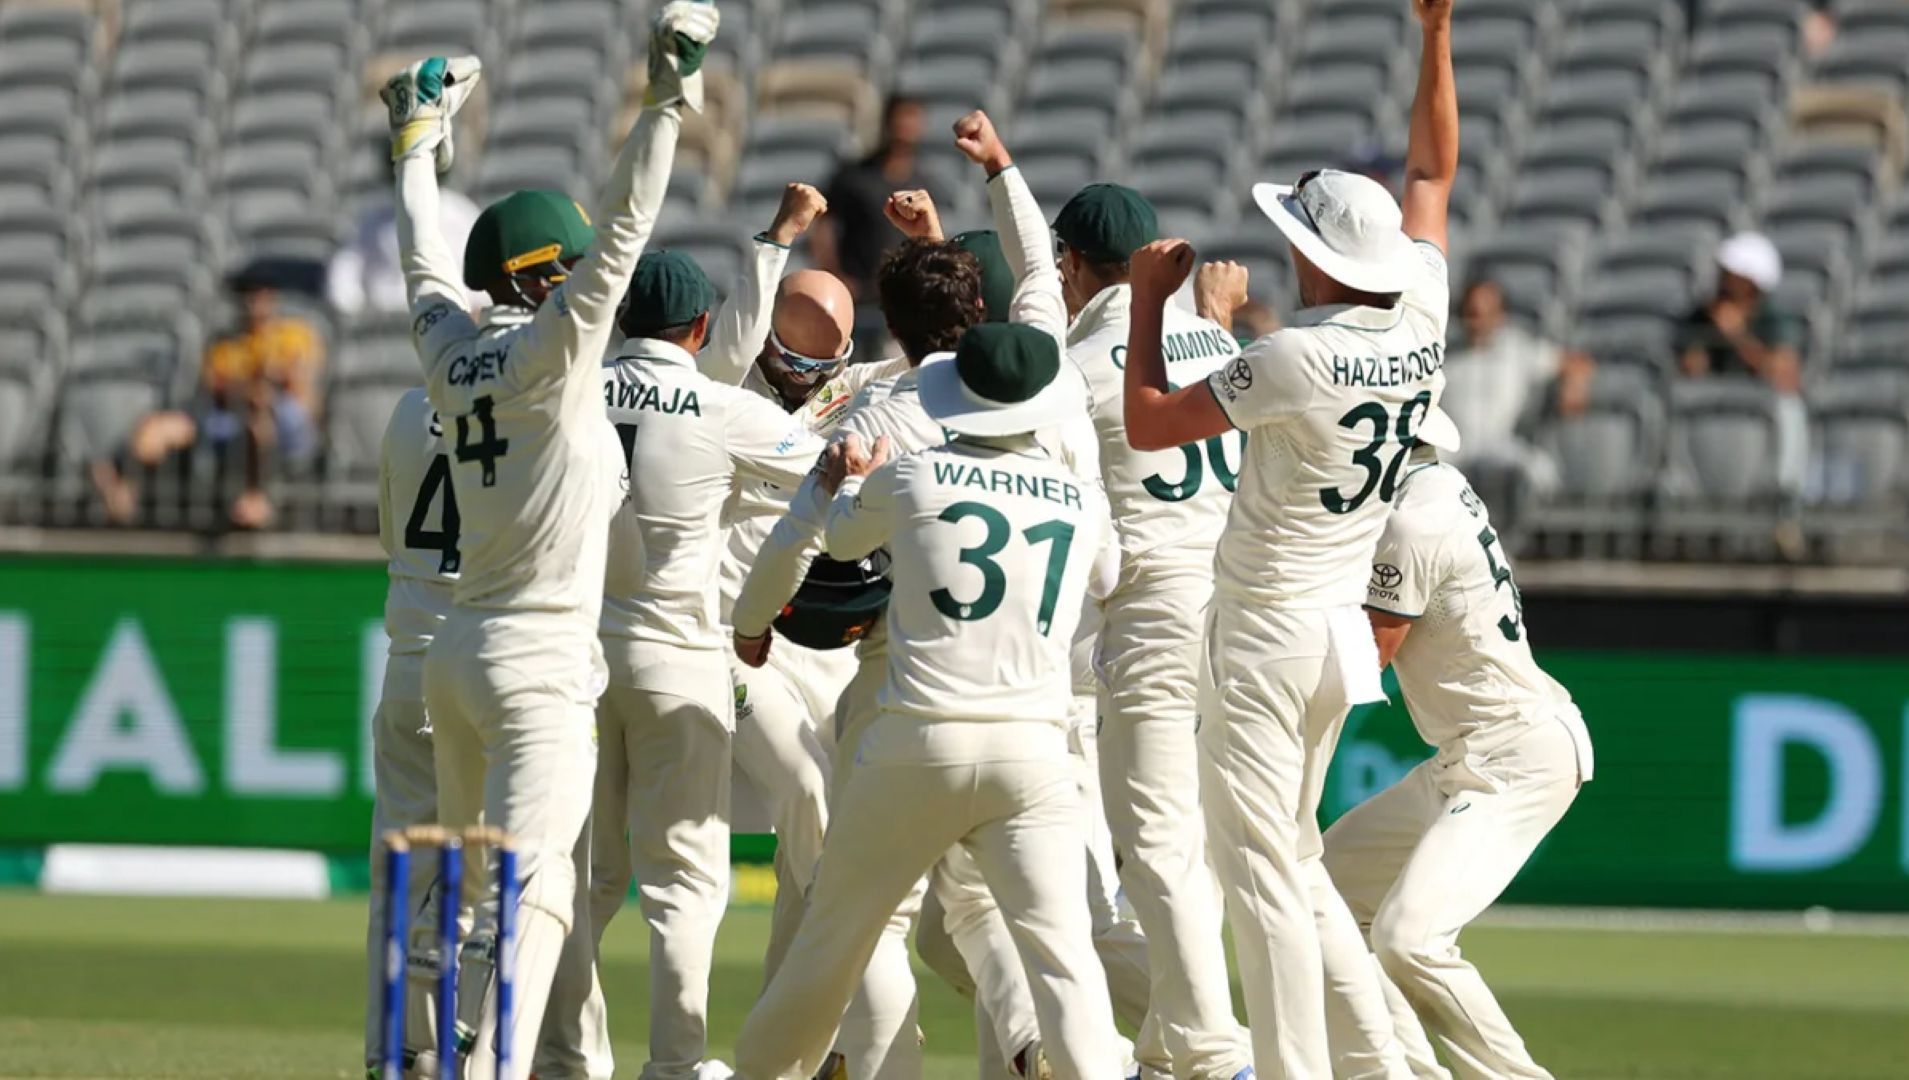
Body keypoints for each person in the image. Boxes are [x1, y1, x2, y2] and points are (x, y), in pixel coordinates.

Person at [1121, 0, 1460, 1073]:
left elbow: (1146, 424)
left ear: (1310, 255)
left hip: (1266, 632)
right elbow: (1435, 177)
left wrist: (1145, 303)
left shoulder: (1294, 356)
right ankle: (1377, 1063)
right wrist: (1436, 37)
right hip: (1338, 633)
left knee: (1259, 869)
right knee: (1291, 859)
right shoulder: (1422, 314)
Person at [381, 8, 717, 1077]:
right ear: (541, 281)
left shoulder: (446, 355)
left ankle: (429, 1058)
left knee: (475, 886)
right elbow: (623, 228)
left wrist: (417, 152)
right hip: (536, 664)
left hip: (455, 657)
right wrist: (665, 98)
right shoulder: (553, 358)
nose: (591, 285)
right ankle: (491, 1071)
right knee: (538, 890)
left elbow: (425, 269)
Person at [732, 321, 1122, 1080]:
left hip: (914, 745)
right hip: (1034, 755)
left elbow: (838, 546)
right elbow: (1108, 576)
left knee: (832, 942)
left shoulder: (910, 477)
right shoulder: (1081, 500)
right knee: (1064, 963)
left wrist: (844, 480)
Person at [961, 113, 1254, 1078]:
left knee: (1158, 848)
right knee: (1217, 851)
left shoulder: (1079, 370)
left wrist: (1004, 175)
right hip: (1245, 612)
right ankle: (1185, 1048)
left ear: (1077, 267)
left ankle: (1213, 1055)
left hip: (1155, 616)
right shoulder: (1221, 347)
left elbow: (1038, 302)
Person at [594, 250, 828, 1080]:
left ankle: (556, 1059)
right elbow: (836, 471)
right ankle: (673, 1066)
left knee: (580, 882)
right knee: (684, 884)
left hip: (577, 659)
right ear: (699, 330)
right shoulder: (718, 405)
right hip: (678, 661)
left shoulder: (565, 389)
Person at [1332, 434, 1594, 1080]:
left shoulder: (1413, 519)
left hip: (1515, 753)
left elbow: (1368, 660)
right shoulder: (1438, 488)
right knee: (1327, 895)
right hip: (1465, 752)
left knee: (1408, 940)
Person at [362, 387, 459, 1078]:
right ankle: (467, 1037)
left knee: (399, 867)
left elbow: (391, 533)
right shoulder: (532, 397)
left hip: (409, 656)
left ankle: (390, 1052)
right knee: (501, 865)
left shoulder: (405, 408)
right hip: (490, 657)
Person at [94, 263, 325, 529]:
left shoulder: (295, 334)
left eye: (260, 293)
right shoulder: (225, 344)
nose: (253, 301)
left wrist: (257, 386)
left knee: (258, 420)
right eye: (246, 294)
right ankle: (122, 490)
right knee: (159, 427)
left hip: (284, 422)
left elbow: (297, 387)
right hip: (229, 417)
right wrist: (254, 384)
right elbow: (215, 387)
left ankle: (255, 498)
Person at [1677, 231, 1810, 514]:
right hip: (1711, 410)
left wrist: (1738, 337)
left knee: (1789, 410)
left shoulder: (1774, 320)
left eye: (1733, 272)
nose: (1724, 277)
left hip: (1756, 411)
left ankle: (1782, 500)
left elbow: (1785, 377)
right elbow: (1689, 369)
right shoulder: (1702, 315)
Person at [1441, 278, 1590, 523]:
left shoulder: (1518, 349)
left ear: (1500, 314)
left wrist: (1574, 388)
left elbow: (1577, 363)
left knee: (1535, 471)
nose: (1478, 321)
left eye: (1486, 313)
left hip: (1500, 445)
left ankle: (1510, 543)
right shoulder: (1446, 351)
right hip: (1452, 447)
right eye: (1472, 313)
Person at [813, 96, 941, 348]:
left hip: (902, 300)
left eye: (912, 121)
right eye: (900, 120)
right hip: (858, 296)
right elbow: (824, 227)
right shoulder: (855, 177)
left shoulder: (923, 183)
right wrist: (835, 275)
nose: (905, 129)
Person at [330, 152, 483, 316]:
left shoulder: (462, 214)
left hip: (449, 317)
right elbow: (345, 274)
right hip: (383, 322)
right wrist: (354, 312)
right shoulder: (373, 220)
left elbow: (487, 273)